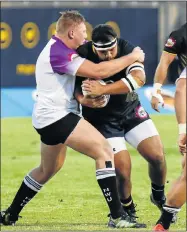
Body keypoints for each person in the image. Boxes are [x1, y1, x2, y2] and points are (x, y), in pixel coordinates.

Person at [0, 10, 145, 228]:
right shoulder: (59, 52)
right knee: (104, 151)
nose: (85, 38)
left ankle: (10, 214)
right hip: (56, 117)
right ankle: (118, 216)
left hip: (47, 117)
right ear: (70, 33)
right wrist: (133, 57)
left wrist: (84, 100)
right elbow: (98, 71)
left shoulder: (59, 50)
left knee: (47, 169)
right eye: (82, 33)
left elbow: (72, 87)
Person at [74, 24, 167, 228]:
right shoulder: (81, 54)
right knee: (123, 170)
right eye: (102, 51)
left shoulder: (126, 48)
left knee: (158, 156)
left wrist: (104, 88)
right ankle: (127, 209)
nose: (108, 55)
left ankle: (158, 196)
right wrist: (84, 100)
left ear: (117, 43)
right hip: (102, 120)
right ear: (93, 47)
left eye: (111, 50)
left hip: (130, 110)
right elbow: (72, 88)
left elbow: (139, 79)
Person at [152, 23, 186, 232]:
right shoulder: (180, 36)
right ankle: (164, 222)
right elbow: (166, 63)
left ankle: (164, 221)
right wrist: (156, 90)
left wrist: (183, 130)